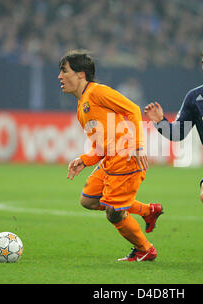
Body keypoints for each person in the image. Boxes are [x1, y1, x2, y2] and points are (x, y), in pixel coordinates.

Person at [59, 50, 163, 262]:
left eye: (64, 71)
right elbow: (102, 144)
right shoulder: (81, 106)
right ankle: (147, 211)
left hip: (126, 160)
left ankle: (145, 249)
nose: (60, 77)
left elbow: (133, 109)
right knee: (88, 200)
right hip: (110, 161)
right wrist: (85, 160)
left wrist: (139, 146)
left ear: (81, 74)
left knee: (114, 213)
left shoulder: (97, 91)